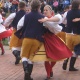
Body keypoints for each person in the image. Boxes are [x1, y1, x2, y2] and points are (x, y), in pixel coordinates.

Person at [17, 0, 46, 80]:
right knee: (31, 58)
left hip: (27, 38)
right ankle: (28, 76)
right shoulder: (42, 16)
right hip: (37, 39)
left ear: (31, 6)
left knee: (24, 56)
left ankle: (26, 71)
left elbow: (19, 25)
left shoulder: (26, 15)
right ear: (39, 6)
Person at [63, 0, 80, 71]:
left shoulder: (67, 12)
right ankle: (71, 66)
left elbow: (63, 21)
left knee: (68, 49)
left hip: (68, 33)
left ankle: (65, 60)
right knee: (76, 50)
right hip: (77, 34)